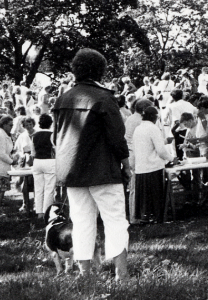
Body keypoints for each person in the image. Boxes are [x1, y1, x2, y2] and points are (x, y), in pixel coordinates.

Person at [52, 48, 131, 279]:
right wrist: (126, 165)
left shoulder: (62, 98)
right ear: (101, 70)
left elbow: (56, 138)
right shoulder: (105, 98)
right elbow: (117, 138)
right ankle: (121, 275)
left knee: (82, 221)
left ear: (75, 70)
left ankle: (85, 274)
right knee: (115, 220)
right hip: (103, 170)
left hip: (72, 172)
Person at [132, 106, 172, 223]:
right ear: (154, 117)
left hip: (141, 167)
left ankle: (145, 217)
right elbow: (161, 150)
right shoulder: (153, 128)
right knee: (156, 195)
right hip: (153, 167)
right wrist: (171, 159)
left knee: (144, 196)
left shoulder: (138, 129)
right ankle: (158, 218)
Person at [30, 113, 57, 218]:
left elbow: (32, 153)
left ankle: (39, 212)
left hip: (37, 162)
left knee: (38, 188)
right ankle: (47, 213)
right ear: (50, 123)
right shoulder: (52, 135)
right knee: (49, 188)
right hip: (49, 161)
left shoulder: (34, 136)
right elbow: (56, 149)